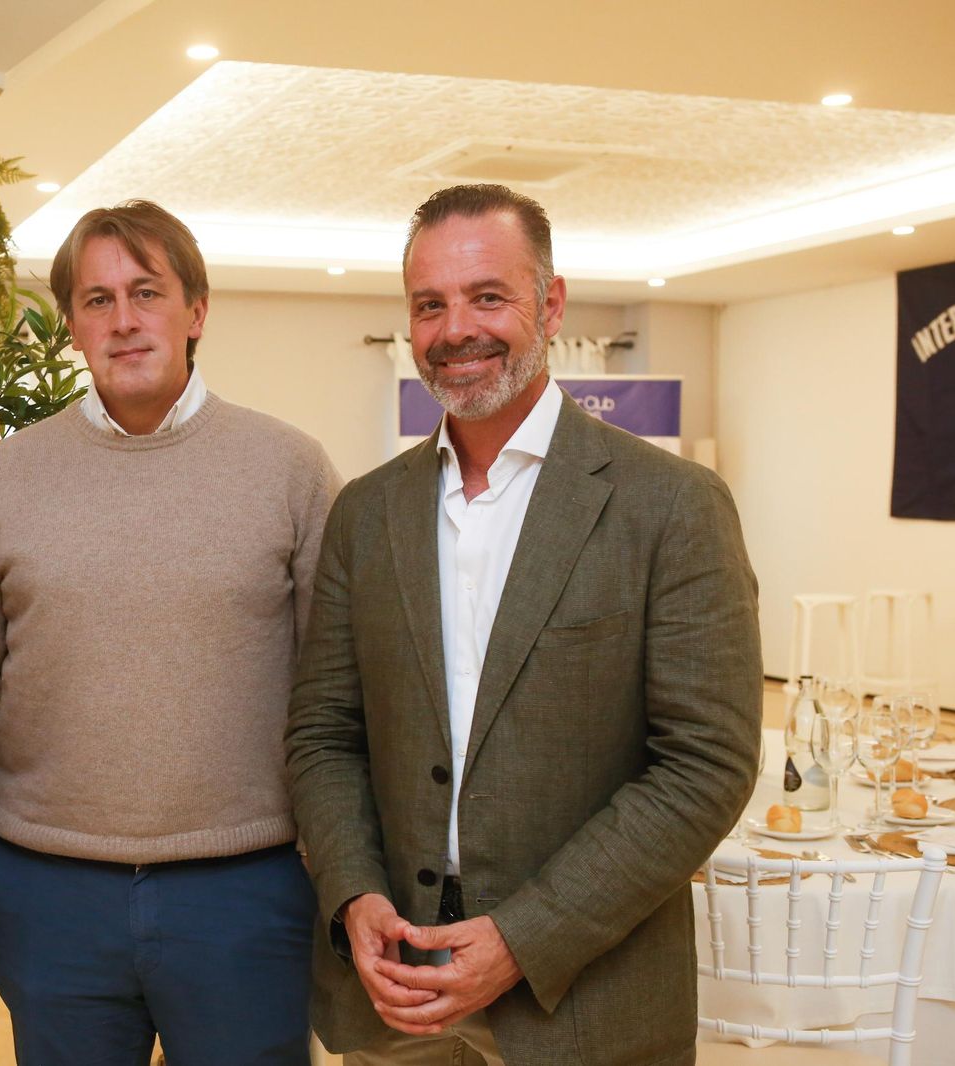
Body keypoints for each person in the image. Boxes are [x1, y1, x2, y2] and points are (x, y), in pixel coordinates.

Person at [285, 183, 762, 1066]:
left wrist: (522, 938)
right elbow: (324, 735)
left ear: (551, 303)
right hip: (399, 996)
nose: (456, 329)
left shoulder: (671, 506)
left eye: (487, 296)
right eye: (430, 305)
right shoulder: (366, 513)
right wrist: (354, 895)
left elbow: (705, 765)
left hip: (587, 1004)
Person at [0, 199, 341, 1065]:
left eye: (147, 292)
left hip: (248, 892)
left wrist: (322, 857)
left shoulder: (292, 470)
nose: (124, 320)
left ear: (196, 312)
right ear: (73, 326)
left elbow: (335, 683)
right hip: (48, 893)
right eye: (98, 299)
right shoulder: (4, 480)